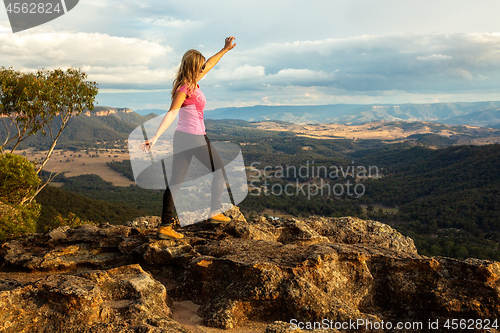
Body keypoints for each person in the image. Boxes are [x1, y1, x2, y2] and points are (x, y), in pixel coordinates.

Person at [140, 36, 237, 240]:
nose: (203, 68)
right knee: (218, 170)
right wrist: (155, 137)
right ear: (193, 67)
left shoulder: (193, 82)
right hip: (192, 138)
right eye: (200, 66)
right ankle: (213, 212)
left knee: (177, 181)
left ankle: (166, 225)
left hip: (190, 137)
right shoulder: (185, 88)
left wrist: (225, 49)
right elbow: (172, 113)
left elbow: (210, 63)